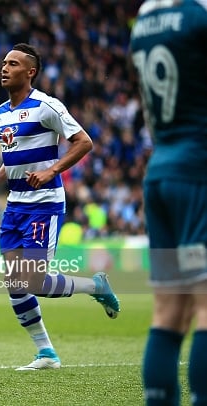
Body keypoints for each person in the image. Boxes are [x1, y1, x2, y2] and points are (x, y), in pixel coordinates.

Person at [0, 43, 121, 370]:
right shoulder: (0, 113)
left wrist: (52, 170)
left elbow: (84, 141)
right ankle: (46, 353)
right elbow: (15, 155)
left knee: (33, 281)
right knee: (15, 283)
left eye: (13, 64)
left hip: (44, 205)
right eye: (3, 62)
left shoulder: (47, 106)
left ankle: (95, 286)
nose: (4, 68)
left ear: (30, 72)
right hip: (15, 205)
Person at [129, 2, 207, 404]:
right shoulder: (199, 15)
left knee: (169, 311)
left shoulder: (145, 18)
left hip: (160, 172)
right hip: (198, 171)